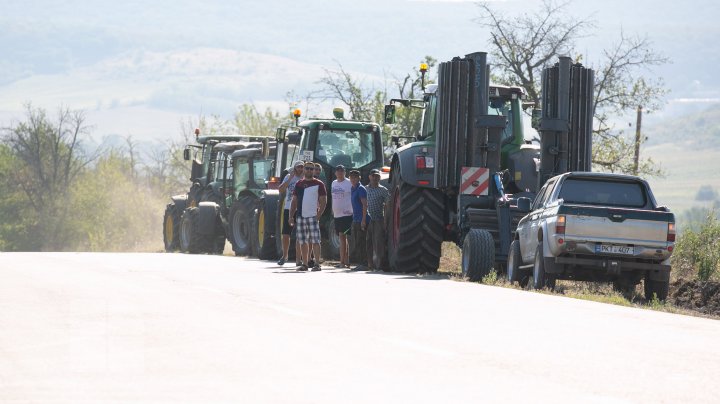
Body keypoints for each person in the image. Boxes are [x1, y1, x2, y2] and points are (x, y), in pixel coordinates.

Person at [289, 163, 327, 272]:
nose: (310, 170)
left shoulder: (319, 184)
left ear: (314, 171)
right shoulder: (299, 184)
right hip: (300, 216)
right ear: (304, 170)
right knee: (302, 241)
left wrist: (318, 215)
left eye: (312, 169)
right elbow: (294, 201)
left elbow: (323, 201)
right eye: (307, 168)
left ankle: (316, 264)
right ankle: (304, 264)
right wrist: (291, 216)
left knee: (315, 240)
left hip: (313, 216)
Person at [277, 160, 304, 266]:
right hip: (288, 207)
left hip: (301, 208)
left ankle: (299, 258)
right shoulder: (289, 176)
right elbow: (281, 190)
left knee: (299, 234)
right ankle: (285, 255)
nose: (300, 169)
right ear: (294, 168)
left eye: (302, 167)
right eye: (298, 167)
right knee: (286, 233)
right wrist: (290, 179)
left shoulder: (304, 177)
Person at [365, 169, 389, 271]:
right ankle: (369, 264)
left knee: (378, 243)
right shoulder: (364, 189)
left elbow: (388, 204)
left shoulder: (383, 190)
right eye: (373, 176)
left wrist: (385, 221)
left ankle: (379, 265)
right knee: (368, 243)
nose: (375, 178)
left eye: (377, 176)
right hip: (367, 220)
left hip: (378, 219)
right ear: (369, 177)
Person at [331, 165, 353, 268]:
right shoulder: (334, 183)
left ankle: (342, 262)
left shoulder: (349, 183)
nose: (340, 173)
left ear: (345, 172)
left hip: (346, 214)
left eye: (342, 171)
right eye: (338, 171)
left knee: (342, 236)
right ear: (335, 173)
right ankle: (346, 261)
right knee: (342, 237)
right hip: (337, 215)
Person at [348, 170, 368, 270]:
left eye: (355, 177)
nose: (353, 179)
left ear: (359, 178)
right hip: (355, 219)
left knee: (361, 242)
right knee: (357, 242)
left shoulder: (361, 189)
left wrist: (363, 220)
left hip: (361, 219)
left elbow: (365, 205)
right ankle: (360, 263)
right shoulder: (352, 188)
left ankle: (364, 264)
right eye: (351, 177)